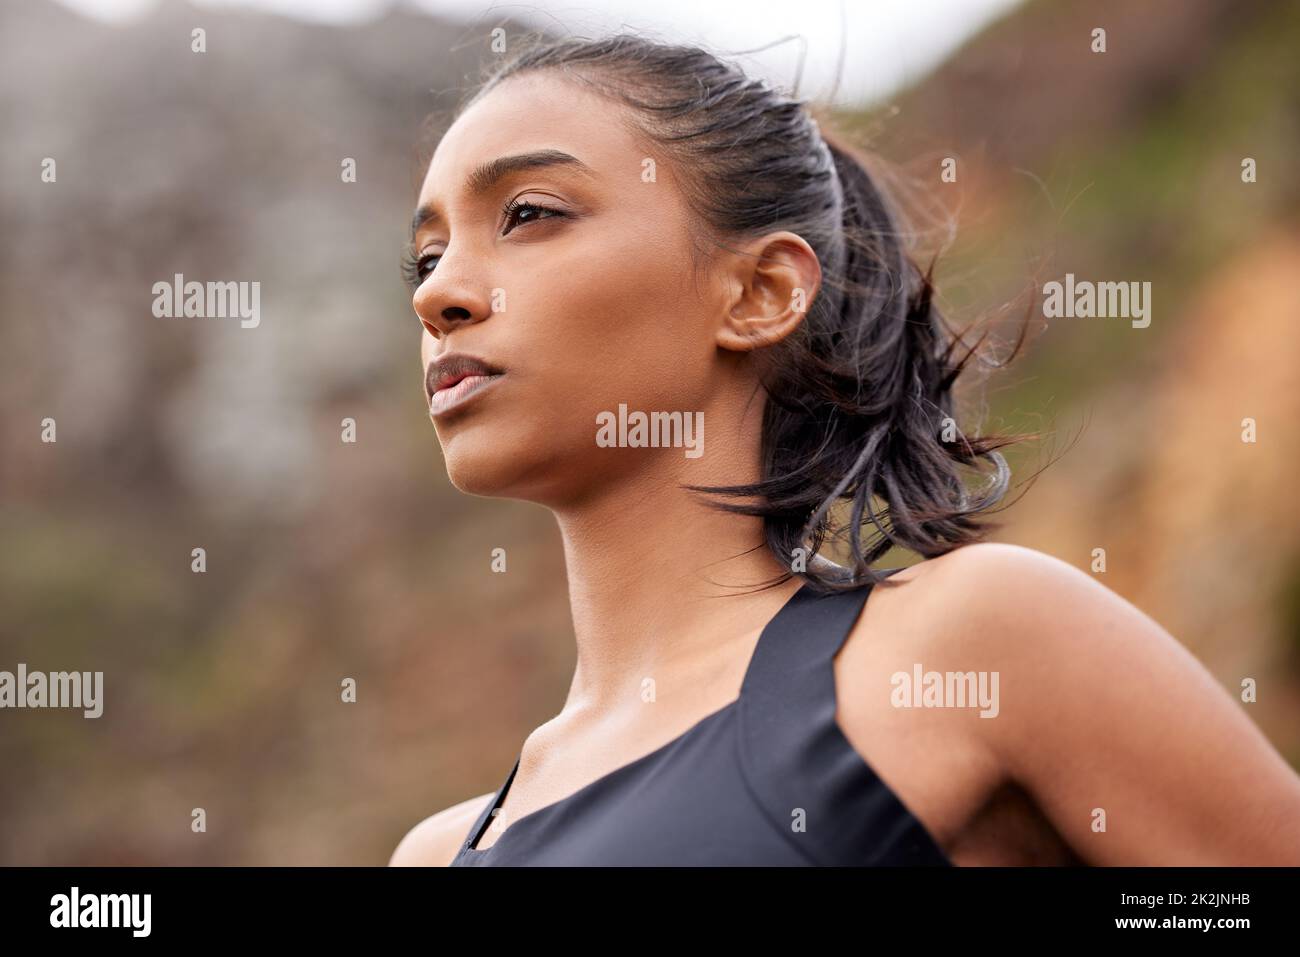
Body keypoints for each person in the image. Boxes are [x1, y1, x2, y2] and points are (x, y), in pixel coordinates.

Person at [389, 33, 1300, 865]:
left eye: (529, 214)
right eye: (426, 258)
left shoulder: (967, 646)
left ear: (760, 291)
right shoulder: (441, 851)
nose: (441, 295)